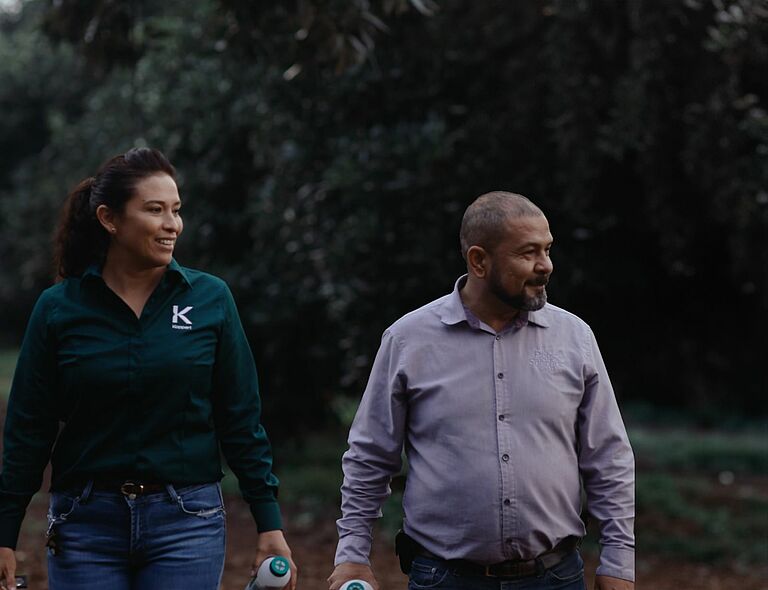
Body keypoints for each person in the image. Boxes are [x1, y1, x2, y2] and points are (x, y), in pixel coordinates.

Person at [0, 148, 297, 590]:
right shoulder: (58, 309)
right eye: (155, 210)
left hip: (187, 522)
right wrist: (5, 533)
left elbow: (240, 419)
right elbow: (29, 428)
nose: (172, 224)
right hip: (85, 525)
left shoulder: (211, 299)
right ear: (109, 219)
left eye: (176, 210)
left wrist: (268, 522)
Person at [328, 192, 634, 590]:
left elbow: (609, 457)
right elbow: (370, 456)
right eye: (528, 253)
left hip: (555, 578)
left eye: (547, 249)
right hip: (445, 579)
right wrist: (352, 555)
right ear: (479, 261)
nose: (546, 265)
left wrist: (618, 561)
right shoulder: (409, 340)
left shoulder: (574, 337)